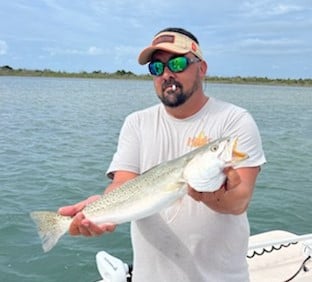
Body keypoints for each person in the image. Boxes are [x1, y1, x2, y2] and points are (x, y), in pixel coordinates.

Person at [59, 27, 266, 281]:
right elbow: (123, 183)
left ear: (201, 68)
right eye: (156, 68)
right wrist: (100, 209)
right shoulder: (136, 123)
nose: (167, 74)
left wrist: (206, 195)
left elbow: (239, 201)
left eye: (177, 63)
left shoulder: (234, 122)